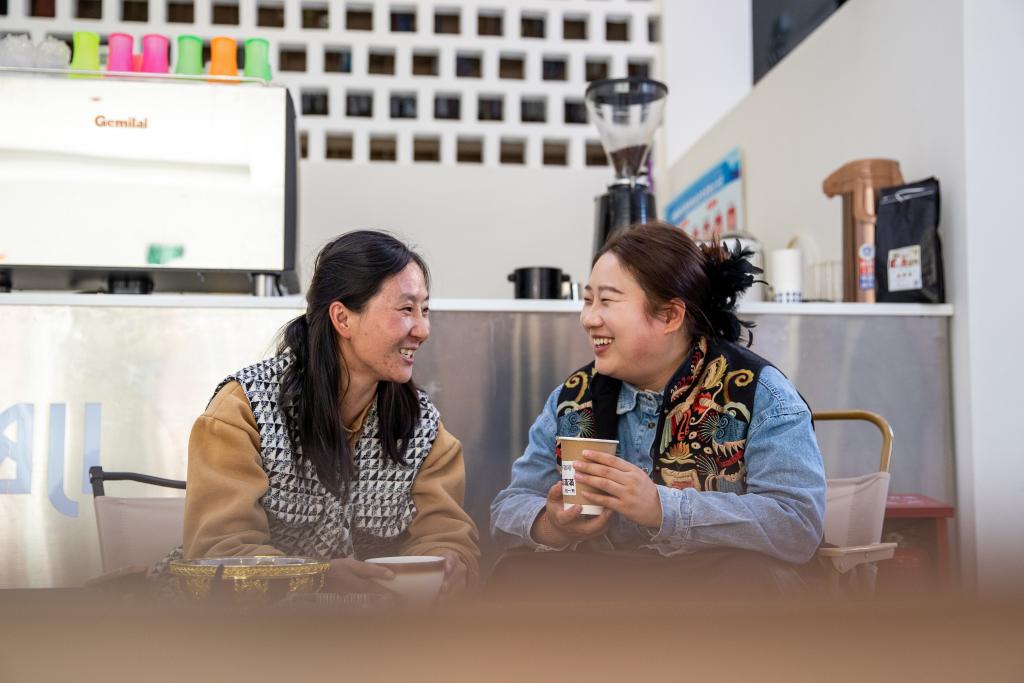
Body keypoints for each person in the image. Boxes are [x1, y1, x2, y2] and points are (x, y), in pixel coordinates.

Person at [490, 222, 826, 573]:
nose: (588, 318)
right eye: (588, 300)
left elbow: (798, 524)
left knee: (752, 578)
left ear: (669, 315)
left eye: (607, 300)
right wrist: (552, 525)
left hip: (710, 592)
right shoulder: (572, 399)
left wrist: (662, 509)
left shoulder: (759, 394)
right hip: (606, 588)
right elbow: (506, 510)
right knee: (513, 572)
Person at [177, 230, 479, 596]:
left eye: (425, 310)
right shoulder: (244, 411)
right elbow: (218, 555)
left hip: (379, 627)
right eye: (406, 309)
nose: (423, 329)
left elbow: (447, 535)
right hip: (252, 628)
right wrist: (313, 579)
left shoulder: (422, 427)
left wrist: (447, 564)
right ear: (343, 318)